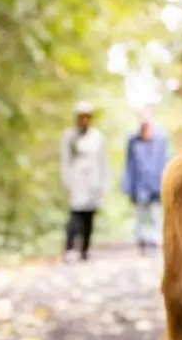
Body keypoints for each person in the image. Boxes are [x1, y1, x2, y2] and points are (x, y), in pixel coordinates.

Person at [59, 100, 110, 262]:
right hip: (77, 180)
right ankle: (70, 248)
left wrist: (104, 183)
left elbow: (103, 162)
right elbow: (66, 160)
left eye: (87, 117)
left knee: (89, 217)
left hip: (93, 181)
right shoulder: (70, 136)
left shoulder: (97, 137)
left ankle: (85, 249)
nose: (84, 120)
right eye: (81, 117)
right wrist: (67, 181)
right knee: (75, 215)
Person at [122, 112, 170, 254]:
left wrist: (166, 183)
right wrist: (128, 186)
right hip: (139, 185)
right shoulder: (133, 141)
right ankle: (142, 241)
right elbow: (129, 164)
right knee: (140, 215)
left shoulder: (161, 139)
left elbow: (166, 160)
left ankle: (157, 242)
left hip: (156, 184)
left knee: (156, 214)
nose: (146, 128)